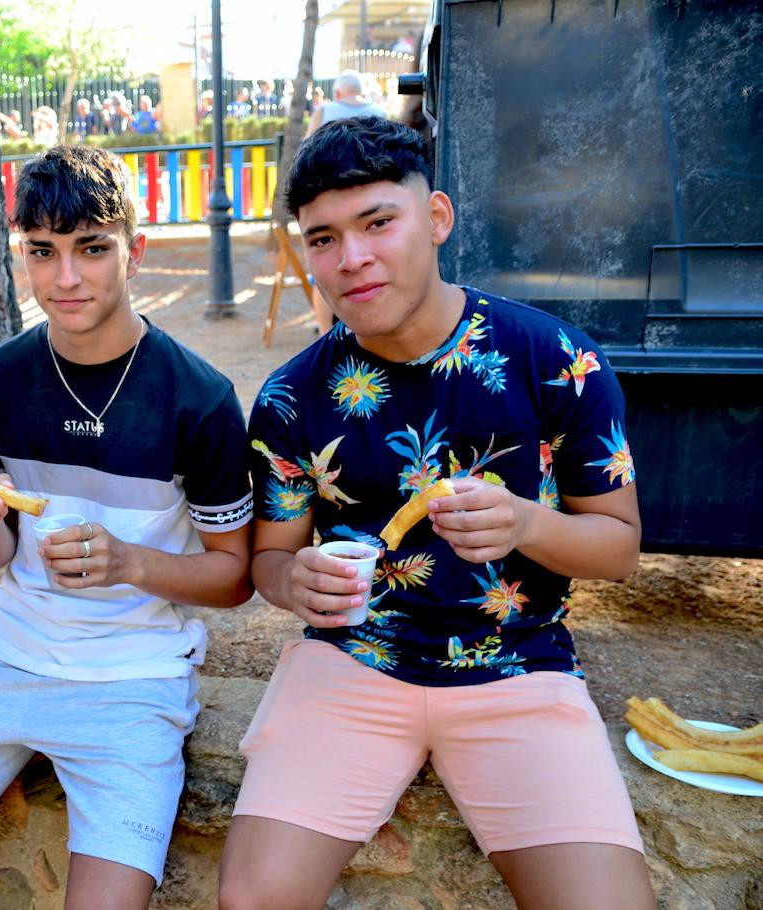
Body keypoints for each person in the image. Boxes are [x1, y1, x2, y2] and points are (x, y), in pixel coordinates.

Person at [218, 117, 652, 910]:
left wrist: (526, 524)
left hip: (520, 665)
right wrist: (296, 580)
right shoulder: (288, 397)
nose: (352, 259)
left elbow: (618, 547)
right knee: (253, 899)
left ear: (438, 218)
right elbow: (268, 561)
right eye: (322, 239)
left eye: (378, 222)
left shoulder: (554, 359)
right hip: (351, 663)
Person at [0, 144, 254, 910]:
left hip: (135, 679)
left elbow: (236, 577)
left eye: (92, 249)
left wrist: (130, 562)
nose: (66, 278)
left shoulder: (200, 396)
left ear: (136, 246)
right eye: (42, 251)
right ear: (22, 253)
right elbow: (1, 554)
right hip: (4, 659)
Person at [306, 70, 388, 137]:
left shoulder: (324, 110)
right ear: (361, 92)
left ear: (337, 93)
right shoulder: (379, 111)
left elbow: (308, 144)